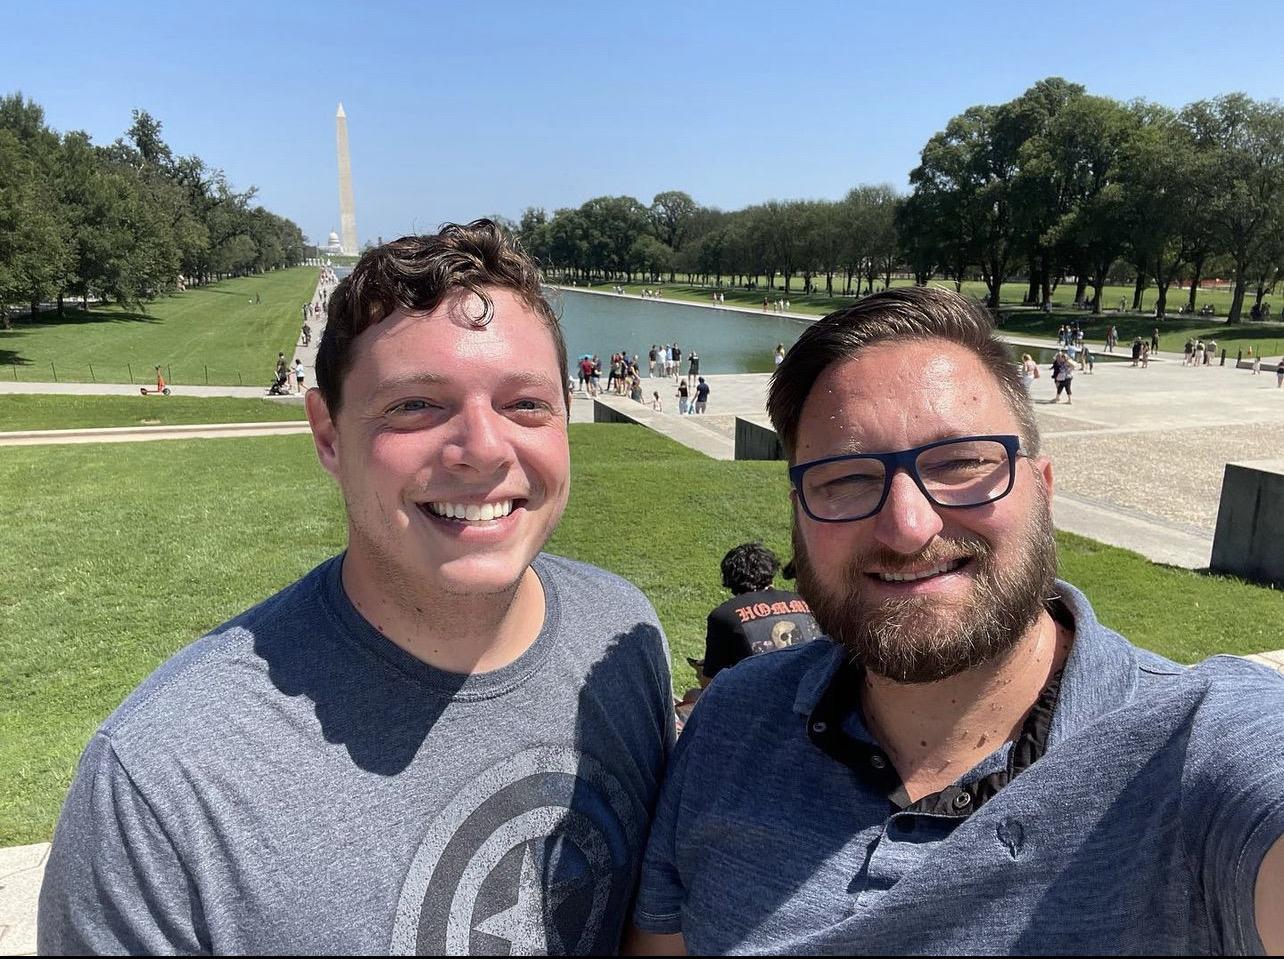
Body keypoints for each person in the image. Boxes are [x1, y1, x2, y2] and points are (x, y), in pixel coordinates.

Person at [39, 221, 674, 955]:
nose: (484, 449)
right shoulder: (161, 783)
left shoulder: (623, 638)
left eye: (524, 403)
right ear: (328, 436)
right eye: (415, 405)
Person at [627, 285, 1284, 955]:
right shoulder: (732, 721)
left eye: (963, 462)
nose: (908, 527)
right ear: (798, 514)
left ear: (1044, 489)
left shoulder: (1197, 749)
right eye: (847, 479)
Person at [697, 543, 822, 684]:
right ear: (770, 573)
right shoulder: (804, 602)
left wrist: (701, 673)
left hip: (767, 698)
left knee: (692, 696)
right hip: (818, 690)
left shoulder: (724, 616)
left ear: (729, 580)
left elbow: (711, 683)